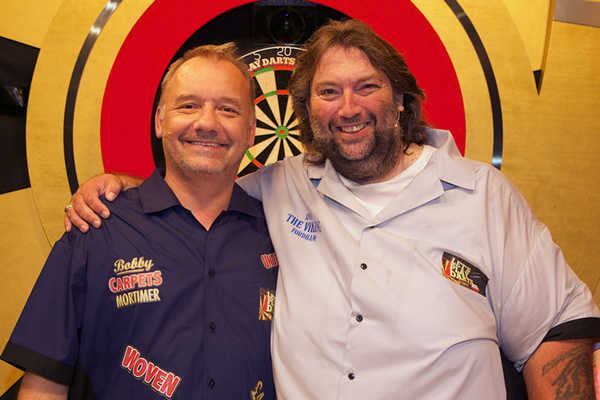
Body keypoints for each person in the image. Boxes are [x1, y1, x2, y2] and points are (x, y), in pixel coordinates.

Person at [64, 19, 600, 399]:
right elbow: (200, 182)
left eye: (367, 87)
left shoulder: (483, 194)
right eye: (327, 92)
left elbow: (555, 333)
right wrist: (120, 188)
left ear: (400, 100)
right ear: (305, 111)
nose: (348, 108)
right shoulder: (280, 187)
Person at [1, 44, 278, 399]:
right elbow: (44, 386)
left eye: (227, 109)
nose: (207, 123)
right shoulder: (95, 227)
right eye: (189, 105)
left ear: (252, 130)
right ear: (160, 121)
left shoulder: (280, 234)